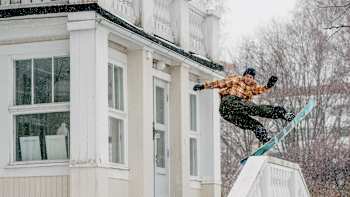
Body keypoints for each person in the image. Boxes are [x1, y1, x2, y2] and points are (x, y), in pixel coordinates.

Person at [193, 67, 295, 144]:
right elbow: (219, 83)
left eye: (250, 77)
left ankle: (263, 136)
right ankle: (281, 113)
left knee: (252, 124)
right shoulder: (236, 80)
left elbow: (260, 89)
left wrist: (268, 85)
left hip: (231, 115)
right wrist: (203, 86)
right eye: (246, 76)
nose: (248, 79)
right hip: (229, 103)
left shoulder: (252, 87)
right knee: (254, 108)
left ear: (253, 79)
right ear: (244, 76)